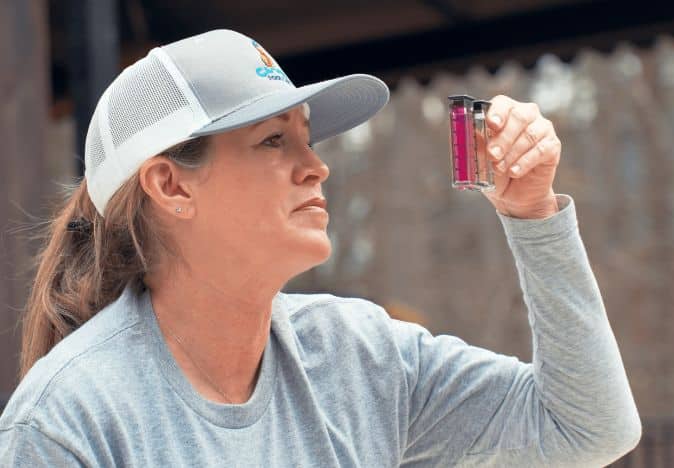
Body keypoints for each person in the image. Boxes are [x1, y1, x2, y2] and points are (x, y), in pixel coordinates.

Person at [0, 29, 641, 467]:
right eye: (274, 142)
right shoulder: (68, 420)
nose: (317, 168)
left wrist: (532, 215)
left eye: (308, 138)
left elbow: (587, 428)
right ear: (171, 185)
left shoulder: (361, 356)